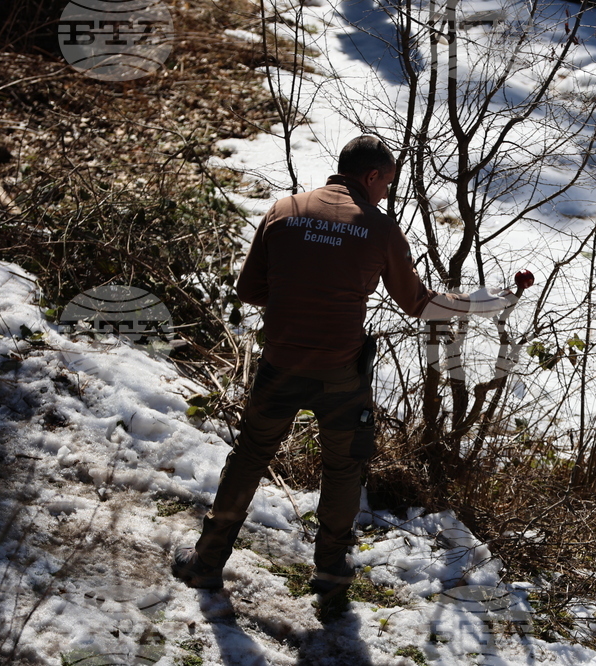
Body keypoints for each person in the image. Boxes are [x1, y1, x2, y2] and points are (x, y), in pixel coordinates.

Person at [171, 135, 515, 593]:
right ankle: (331, 569)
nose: (386, 193)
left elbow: (249, 290)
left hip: (280, 364)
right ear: (371, 176)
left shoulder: (283, 210)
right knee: (343, 469)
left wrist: (299, 293)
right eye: (387, 184)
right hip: (340, 374)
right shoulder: (379, 229)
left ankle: (207, 560)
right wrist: (489, 301)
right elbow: (420, 304)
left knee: (250, 457)